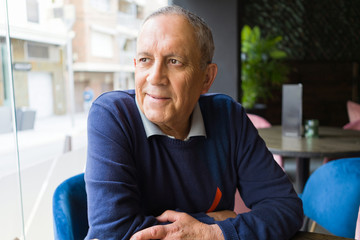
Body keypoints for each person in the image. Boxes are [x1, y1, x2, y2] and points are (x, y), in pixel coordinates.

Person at [85, 5, 303, 240]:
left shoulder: (228, 116)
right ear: (136, 65)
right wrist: (219, 220)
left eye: (175, 61)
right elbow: (114, 232)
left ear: (206, 78)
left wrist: (214, 234)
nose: (155, 77)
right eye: (145, 59)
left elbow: (285, 207)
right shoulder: (112, 115)